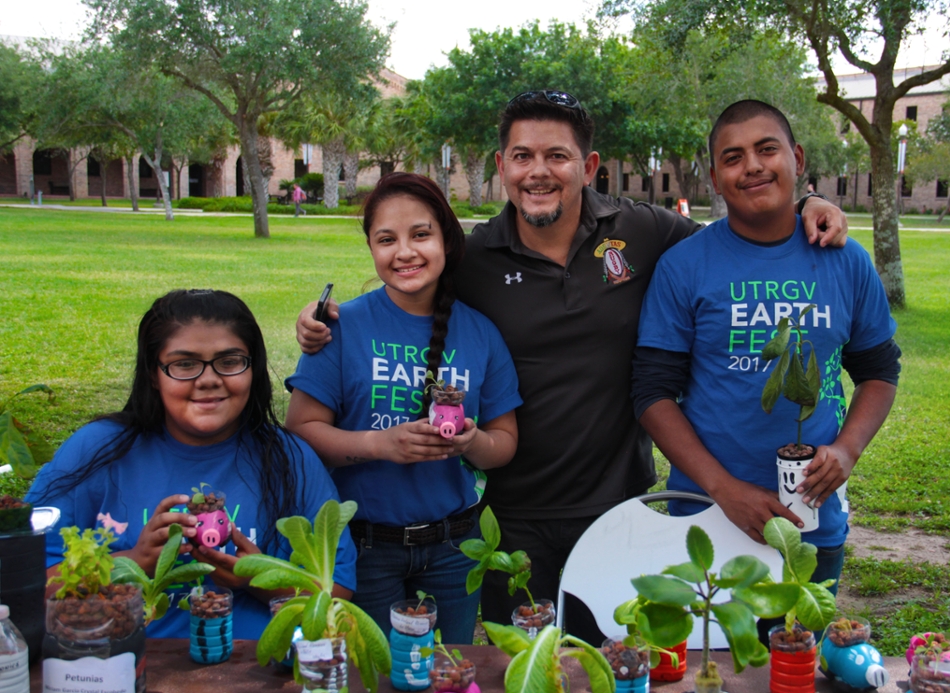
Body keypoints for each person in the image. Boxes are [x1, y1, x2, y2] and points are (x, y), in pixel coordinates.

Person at [295, 91, 850, 637]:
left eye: (556, 155)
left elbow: (736, 235)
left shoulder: (646, 232)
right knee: (521, 666)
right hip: (509, 513)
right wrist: (321, 321)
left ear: (587, 166)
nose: (539, 172)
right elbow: (407, 285)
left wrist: (805, 204)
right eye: (522, 156)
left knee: (610, 658)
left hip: (618, 504)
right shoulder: (475, 255)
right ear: (501, 166)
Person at [633, 100, 899, 615]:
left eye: (766, 149)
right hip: (705, 520)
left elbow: (879, 372)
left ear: (796, 158)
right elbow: (652, 392)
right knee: (707, 672)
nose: (752, 165)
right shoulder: (684, 266)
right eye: (733, 157)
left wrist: (847, 450)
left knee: (794, 668)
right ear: (715, 177)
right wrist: (723, 488)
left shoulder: (846, 261)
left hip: (811, 519)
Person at [26, 289, 356, 639]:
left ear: (253, 368)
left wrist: (257, 578)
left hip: (259, 672)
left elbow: (337, 595)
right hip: (123, 668)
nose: (209, 379)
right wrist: (135, 561)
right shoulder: (96, 450)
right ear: (154, 373)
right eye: (184, 364)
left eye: (230, 362)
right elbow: (27, 581)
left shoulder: (290, 458)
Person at [284, 172, 521, 644]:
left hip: (455, 548)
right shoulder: (339, 326)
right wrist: (379, 444)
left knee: (446, 669)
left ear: (447, 242)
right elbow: (300, 433)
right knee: (371, 672)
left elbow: (506, 442)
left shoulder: (480, 333)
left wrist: (473, 442)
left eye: (420, 234)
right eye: (386, 239)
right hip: (364, 548)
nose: (404, 252)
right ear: (371, 248)